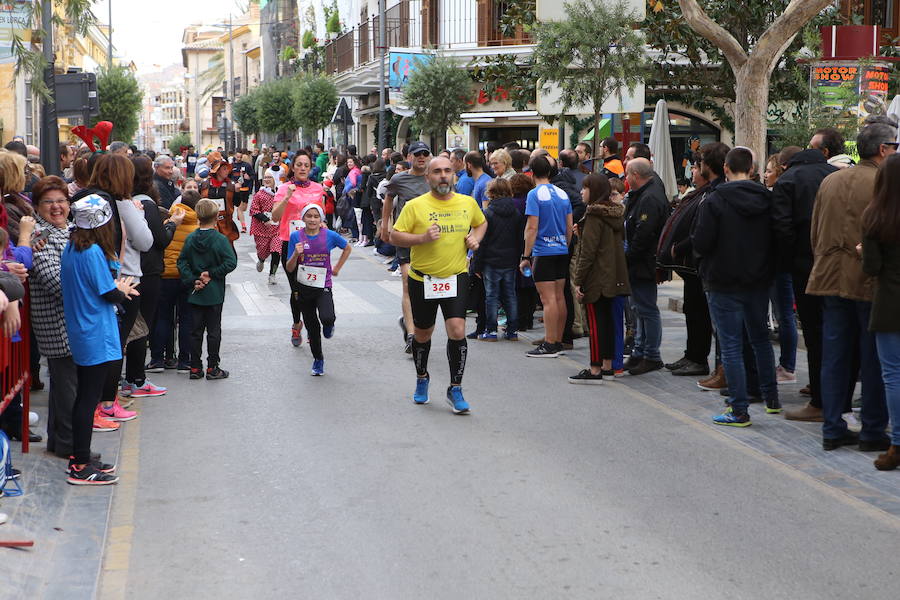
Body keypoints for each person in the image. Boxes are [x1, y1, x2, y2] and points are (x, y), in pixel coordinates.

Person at [808, 119, 895, 451]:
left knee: (835, 355)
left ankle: (832, 426)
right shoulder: (883, 184)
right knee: (872, 358)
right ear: (883, 149)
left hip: (830, 276)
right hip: (868, 279)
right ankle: (872, 429)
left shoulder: (831, 180)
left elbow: (815, 232)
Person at [390, 156, 487, 414]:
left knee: (457, 330)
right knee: (423, 334)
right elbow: (394, 235)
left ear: (454, 174)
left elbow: (481, 222)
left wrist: (475, 239)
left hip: (456, 277)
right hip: (423, 279)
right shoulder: (415, 206)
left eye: (447, 171)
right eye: (437, 172)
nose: (443, 176)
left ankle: (455, 388)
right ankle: (422, 378)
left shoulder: (467, 203)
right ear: (427, 177)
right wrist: (421, 237)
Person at [692, 147, 779, 426]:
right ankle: (771, 398)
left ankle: (739, 409)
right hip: (758, 279)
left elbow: (702, 242)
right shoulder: (768, 198)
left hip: (722, 280)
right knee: (760, 339)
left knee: (731, 345)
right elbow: (778, 236)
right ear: (752, 170)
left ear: (726, 168)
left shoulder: (715, 200)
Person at [61, 194, 138, 484]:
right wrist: (124, 290)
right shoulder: (92, 251)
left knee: (85, 395)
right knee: (88, 399)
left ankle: (81, 454)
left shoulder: (72, 247)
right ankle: (80, 465)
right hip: (94, 330)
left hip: (83, 328)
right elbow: (108, 292)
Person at [772, 132, 840, 421]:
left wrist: (790, 262)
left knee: (813, 332)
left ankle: (820, 401)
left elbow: (781, 228)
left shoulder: (788, 180)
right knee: (835, 332)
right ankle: (836, 398)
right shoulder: (834, 175)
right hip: (835, 264)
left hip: (804, 267)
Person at [657, 143, 727, 378]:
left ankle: (701, 360)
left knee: (702, 313)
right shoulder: (704, 193)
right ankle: (693, 355)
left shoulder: (716, 193)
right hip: (694, 267)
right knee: (693, 310)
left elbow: (702, 230)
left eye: (698, 165)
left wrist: (681, 246)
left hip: (703, 265)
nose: (694, 170)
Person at [29, 177, 80, 457]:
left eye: (61, 200)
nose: (57, 207)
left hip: (74, 319)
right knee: (67, 387)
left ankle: (61, 441)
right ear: (37, 207)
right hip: (58, 321)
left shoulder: (71, 230)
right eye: (49, 202)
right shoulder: (40, 236)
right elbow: (55, 282)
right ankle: (68, 444)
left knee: (66, 386)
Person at [122, 156, 178, 400]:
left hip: (131, 270)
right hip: (148, 270)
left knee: (132, 325)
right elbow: (159, 240)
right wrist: (172, 224)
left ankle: (130, 378)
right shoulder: (146, 204)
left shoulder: (125, 201)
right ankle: (137, 379)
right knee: (142, 325)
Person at [569, 173, 630, 383]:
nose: (581, 192)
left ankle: (595, 369)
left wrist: (579, 280)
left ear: (593, 191)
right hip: (613, 275)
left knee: (595, 324)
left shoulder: (594, 214)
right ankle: (607, 366)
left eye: (585, 188)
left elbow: (589, 251)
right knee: (608, 323)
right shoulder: (614, 214)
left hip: (597, 277)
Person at [863, 152, 900, 469]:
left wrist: (863, 251)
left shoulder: (875, 217)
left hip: (889, 304)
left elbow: (872, 267)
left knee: (893, 376)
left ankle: (897, 444)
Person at [285, 204, 352, 375]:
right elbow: (289, 267)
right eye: (309, 216)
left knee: (327, 317)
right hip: (304, 287)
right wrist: (295, 254)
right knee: (312, 328)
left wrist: (337, 267)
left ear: (321, 219)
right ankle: (318, 360)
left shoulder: (329, 235)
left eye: (316, 216)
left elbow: (347, 248)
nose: (313, 219)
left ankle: (329, 326)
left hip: (323, 285)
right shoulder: (295, 237)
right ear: (303, 218)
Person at [177, 199, 238, 381]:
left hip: (196, 292)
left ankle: (195, 367)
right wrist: (212, 273)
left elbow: (182, 261)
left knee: (195, 331)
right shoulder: (220, 239)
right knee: (213, 331)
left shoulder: (190, 238)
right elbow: (231, 262)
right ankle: (213, 367)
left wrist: (193, 279)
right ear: (216, 217)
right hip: (214, 292)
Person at [272, 151, 326, 346]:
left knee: (313, 287)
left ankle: (312, 326)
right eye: (299, 165)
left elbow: (321, 216)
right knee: (297, 290)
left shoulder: (318, 188)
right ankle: (297, 324)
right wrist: (287, 198)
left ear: (310, 168)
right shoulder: (284, 188)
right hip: (291, 243)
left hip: (314, 244)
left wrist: (324, 229)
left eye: (306, 165)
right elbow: (275, 217)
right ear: (293, 167)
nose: (303, 168)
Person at [382, 141, 432, 353]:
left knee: (426, 290)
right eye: (417, 153)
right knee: (408, 284)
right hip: (405, 238)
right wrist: (385, 225)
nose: (421, 157)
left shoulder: (435, 177)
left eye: (425, 153)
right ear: (409, 156)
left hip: (431, 241)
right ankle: (412, 336)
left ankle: (412, 323)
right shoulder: (399, 178)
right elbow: (388, 198)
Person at [521, 155, 573, 358]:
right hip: (561, 250)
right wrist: (564, 246)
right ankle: (558, 340)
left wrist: (526, 254)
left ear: (531, 172)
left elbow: (532, 227)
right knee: (559, 297)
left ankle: (549, 343)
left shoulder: (534, 194)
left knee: (547, 299)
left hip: (543, 251)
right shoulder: (562, 194)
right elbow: (570, 227)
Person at [623, 157, 668, 375]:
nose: (625, 178)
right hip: (639, 261)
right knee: (638, 308)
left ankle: (652, 354)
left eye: (627, 173)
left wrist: (628, 257)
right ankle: (640, 351)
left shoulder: (650, 197)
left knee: (646, 308)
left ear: (636, 176)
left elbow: (644, 233)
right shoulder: (643, 194)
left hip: (644, 262)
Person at [148, 190, 199, 372]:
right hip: (186, 277)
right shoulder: (196, 228)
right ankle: (185, 361)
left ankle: (157, 359)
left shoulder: (168, 222)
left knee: (163, 317)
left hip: (166, 275)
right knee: (186, 319)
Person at [472, 178, 523, 342]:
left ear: (491, 193)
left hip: (491, 261)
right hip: (510, 260)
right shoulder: (516, 213)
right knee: (510, 295)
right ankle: (512, 331)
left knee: (491, 296)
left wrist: (476, 265)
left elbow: (482, 241)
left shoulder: (488, 214)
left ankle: (491, 331)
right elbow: (520, 239)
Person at [200, 151, 240, 247]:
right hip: (207, 222)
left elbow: (237, 203)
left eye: (227, 169)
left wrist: (238, 192)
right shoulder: (205, 184)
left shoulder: (231, 185)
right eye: (224, 169)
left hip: (226, 224)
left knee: (228, 251)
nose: (227, 171)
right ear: (217, 170)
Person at [250, 174, 282, 284]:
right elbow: (253, 210)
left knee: (276, 251)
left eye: (270, 177)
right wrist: (265, 219)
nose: (267, 180)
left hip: (277, 228)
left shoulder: (280, 193)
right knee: (263, 252)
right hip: (262, 229)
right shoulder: (259, 194)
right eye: (265, 178)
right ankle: (261, 259)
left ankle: (272, 274)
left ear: (275, 179)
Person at [232, 152, 255, 233]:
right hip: (236, 190)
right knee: (240, 208)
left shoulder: (246, 165)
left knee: (244, 208)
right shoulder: (231, 166)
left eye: (240, 157)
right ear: (235, 156)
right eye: (237, 157)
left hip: (245, 189)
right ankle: (243, 226)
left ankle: (239, 214)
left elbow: (253, 176)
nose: (239, 158)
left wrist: (249, 177)